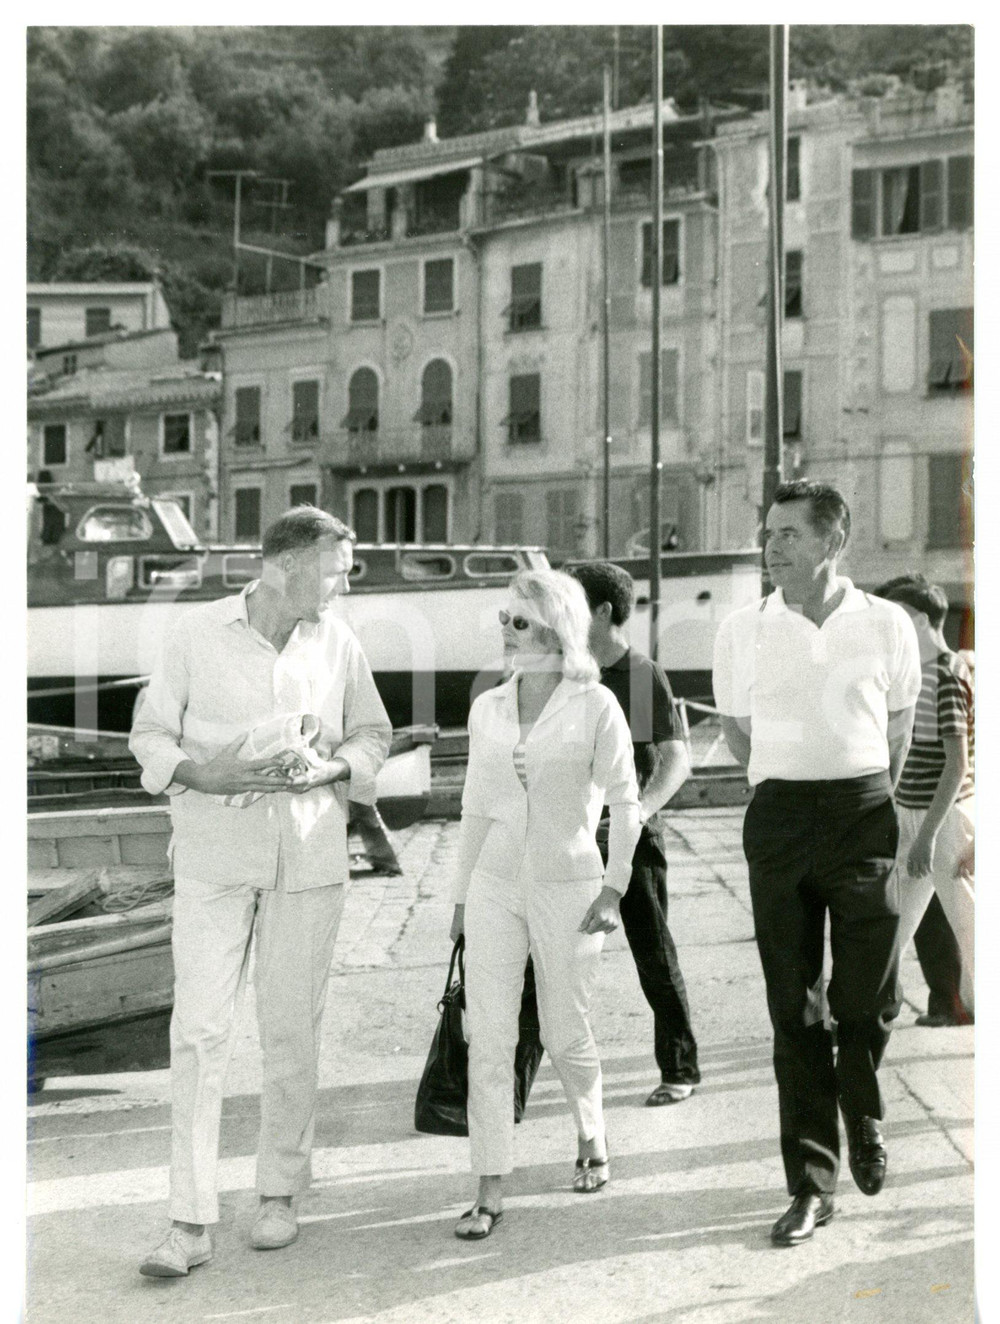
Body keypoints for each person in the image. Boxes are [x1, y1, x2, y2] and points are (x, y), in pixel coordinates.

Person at [130, 506, 391, 1277]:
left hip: (308, 862)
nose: (345, 582)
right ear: (286, 565)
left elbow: (371, 735)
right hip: (213, 858)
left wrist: (334, 769)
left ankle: (279, 1192)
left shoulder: (338, 641)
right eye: (337, 567)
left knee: (290, 1032)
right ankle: (188, 1222)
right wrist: (201, 773)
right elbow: (149, 735)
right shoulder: (195, 635)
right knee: (200, 1032)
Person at [712, 480, 921, 1247]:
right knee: (794, 1007)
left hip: (864, 814)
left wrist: (865, 794)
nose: (771, 548)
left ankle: (860, 1103)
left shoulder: (888, 623)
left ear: (832, 543)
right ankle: (811, 1183)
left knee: (868, 994)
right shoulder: (743, 628)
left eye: (789, 535)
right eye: (768, 534)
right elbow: (737, 730)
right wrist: (788, 776)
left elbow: (898, 722)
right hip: (780, 821)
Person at [448, 569, 640, 1239]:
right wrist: (458, 900)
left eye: (519, 622)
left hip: (572, 884)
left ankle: (591, 1132)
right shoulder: (488, 707)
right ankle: (489, 1184)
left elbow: (624, 801)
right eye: (503, 619)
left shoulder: (596, 707)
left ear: (557, 629)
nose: (506, 631)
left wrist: (615, 887)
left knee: (563, 1031)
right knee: (491, 1040)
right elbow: (474, 808)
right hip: (494, 886)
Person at [565, 560, 700, 1104]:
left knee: (654, 955)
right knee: (539, 958)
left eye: (573, 603)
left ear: (601, 611)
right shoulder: (569, 674)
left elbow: (675, 759)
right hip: (570, 837)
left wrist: (637, 812)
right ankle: (512, 1087)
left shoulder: (640, 676)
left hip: (631, 841)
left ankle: (680, 1070)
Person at [873, 575, 974, 1022]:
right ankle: (861, 1012)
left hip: (943, 822)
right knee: (887, 923)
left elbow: (957, 765)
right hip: (916, 818)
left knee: (971, 928)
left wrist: (927, 836)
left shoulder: (946, 675)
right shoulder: (918, 675)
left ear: (915, 620)